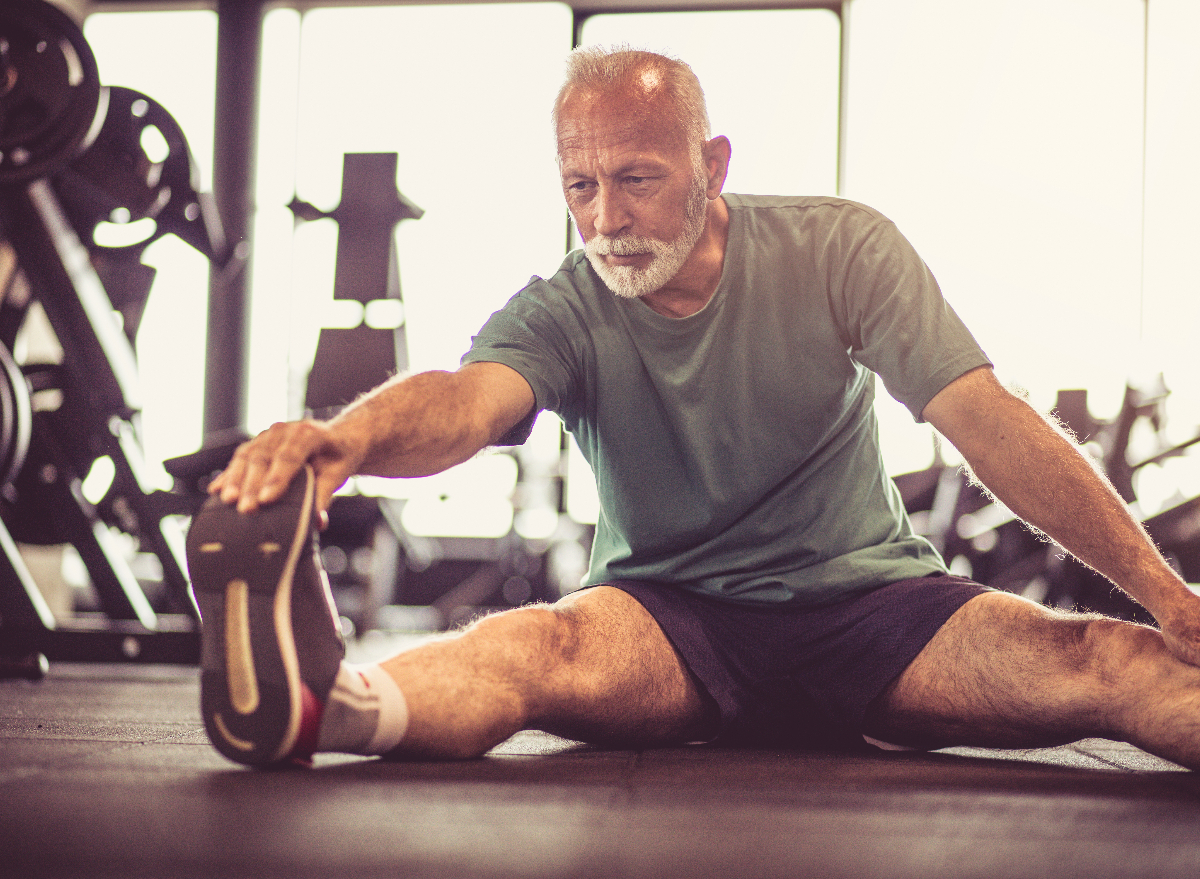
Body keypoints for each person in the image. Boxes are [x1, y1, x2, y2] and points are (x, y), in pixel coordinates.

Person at [187, 45, 1200, 770]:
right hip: (667, 623)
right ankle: (332, 708)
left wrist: (1162, 592)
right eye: (579, 185)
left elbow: (986, 419)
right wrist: (342, 441)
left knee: (1099, 657)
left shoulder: (839, 249)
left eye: (636, 178)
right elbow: (464, 403)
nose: (605, 218)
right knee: (532, 645)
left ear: (712, 167)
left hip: (877, 610)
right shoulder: (567, 309)